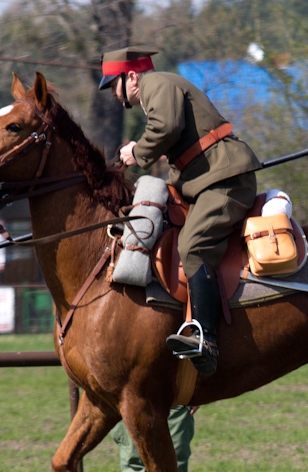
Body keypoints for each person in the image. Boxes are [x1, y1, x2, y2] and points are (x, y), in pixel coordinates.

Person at [99, 46, 262, 376]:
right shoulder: (159, 88)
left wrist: (136, 151)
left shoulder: (156, 84)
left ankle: (206, 339)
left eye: (113, 84)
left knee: (193, 245)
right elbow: (184, 153)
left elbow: (166, 127)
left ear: (130, 77)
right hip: (210, 180)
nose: (114, 94)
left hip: (225, 181)